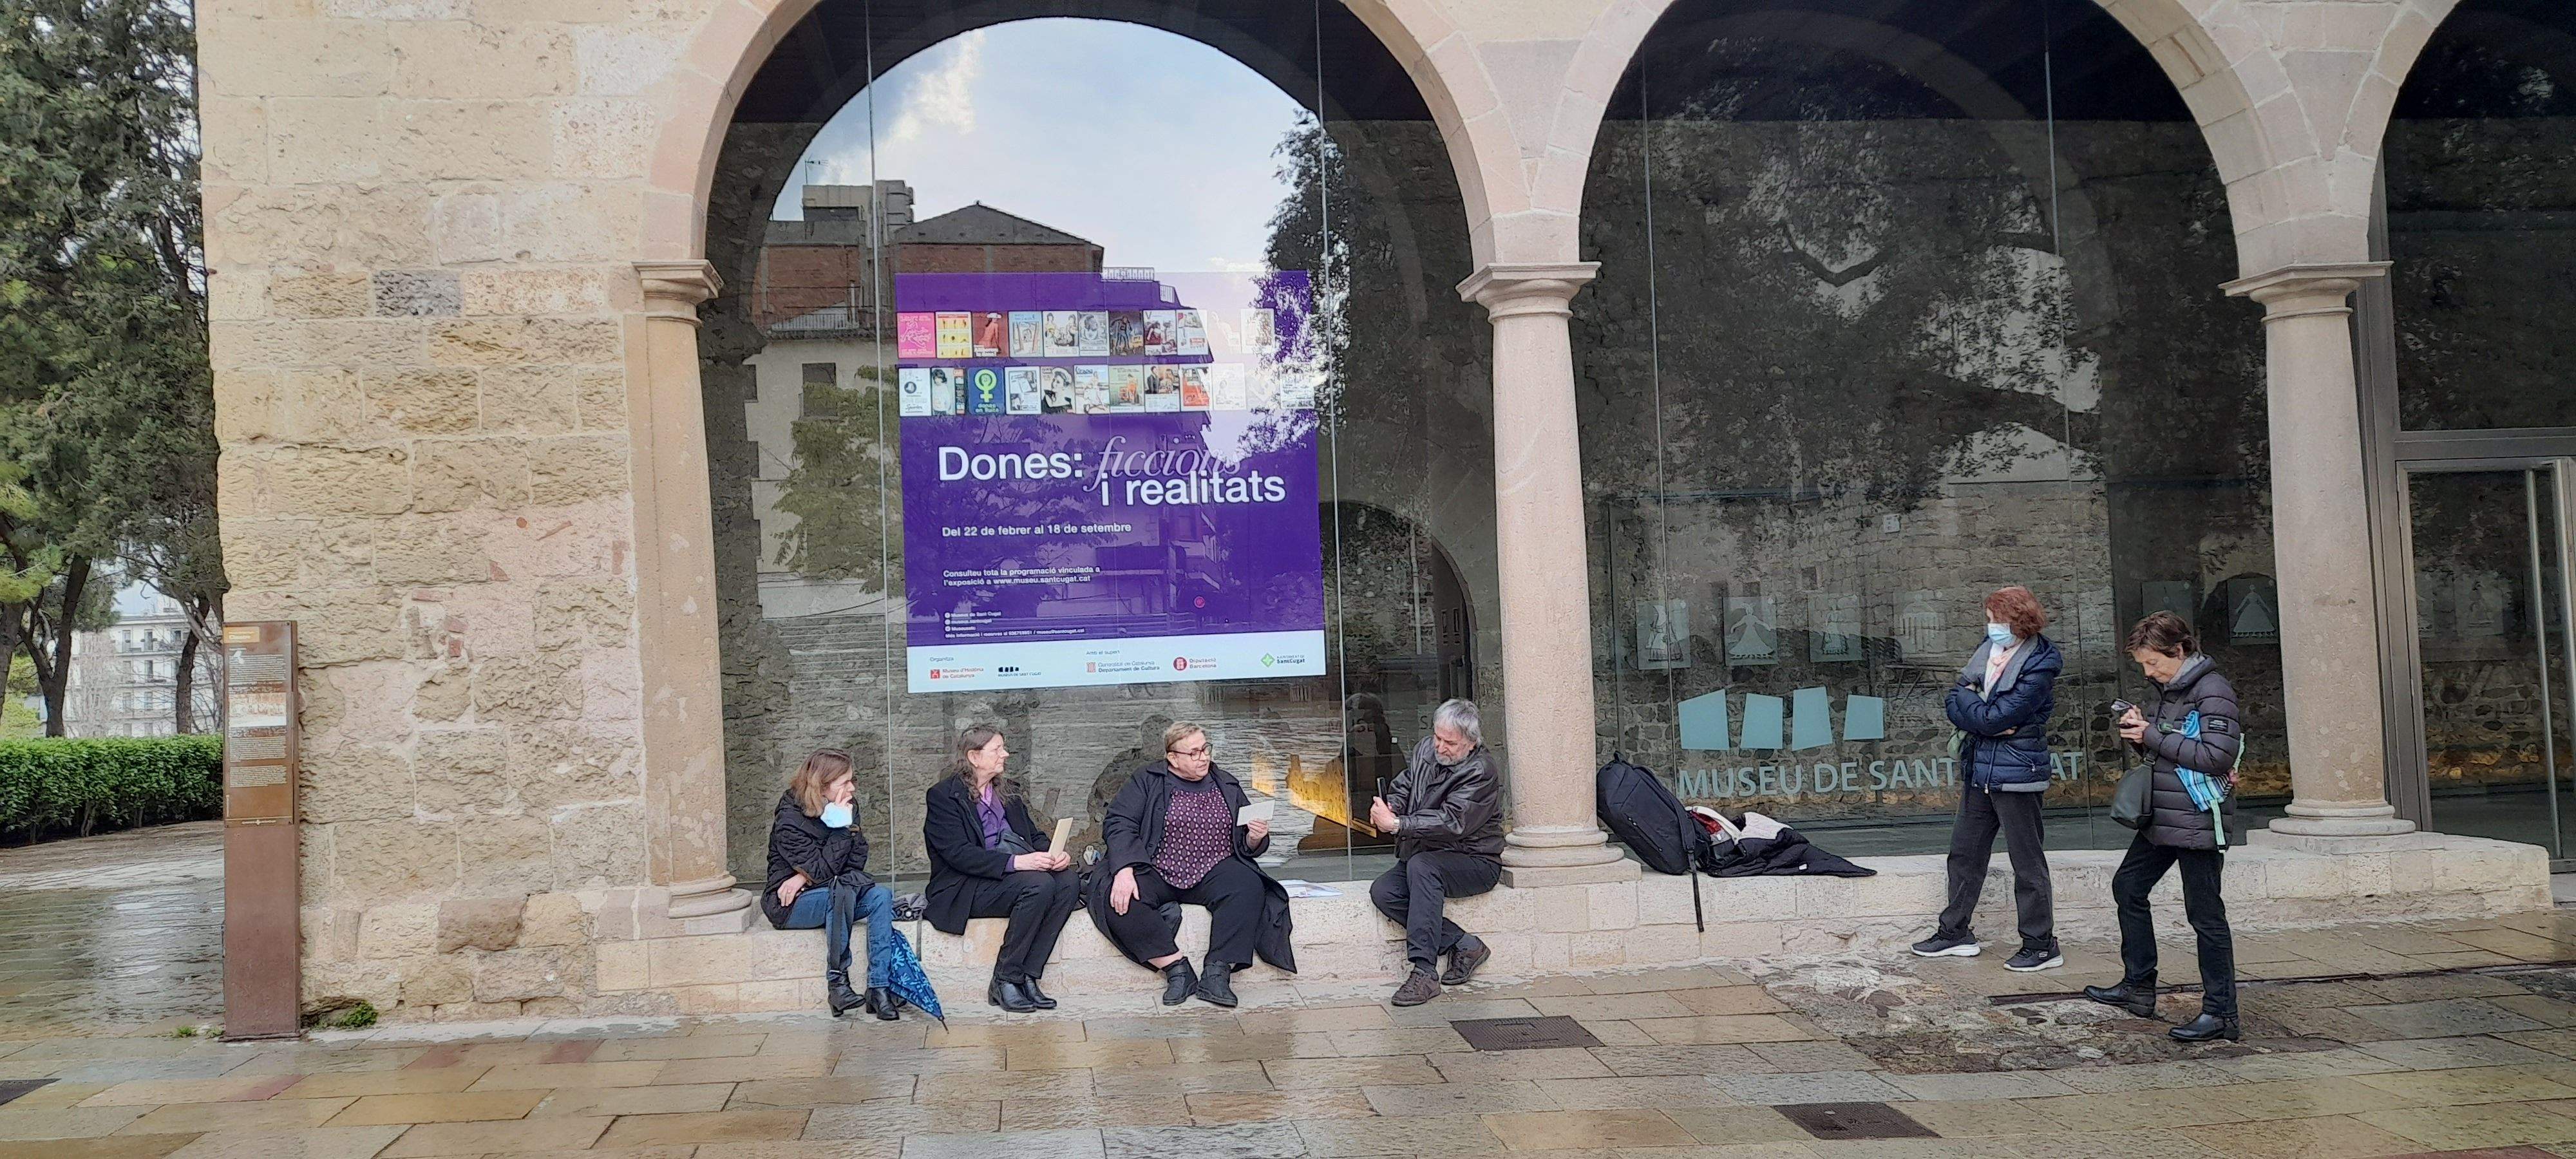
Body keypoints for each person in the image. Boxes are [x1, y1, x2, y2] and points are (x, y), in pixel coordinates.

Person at [2085, 612, 2245, 1042]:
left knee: (2205, 915)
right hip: (2164, 814)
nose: (2148, 671)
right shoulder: (2167, 688)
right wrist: (2142, 737)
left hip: (2196, 816)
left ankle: (2222, 1014)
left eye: (2154, 662)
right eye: (2143, 665)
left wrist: (2152, 736)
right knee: (2128, 887)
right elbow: (2169, 751)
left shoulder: (2213, 690)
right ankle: (2138, 987)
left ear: (2179, 650)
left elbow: (2217, 758)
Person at [1088, 722, 1297, 1007]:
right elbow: (1119, 823)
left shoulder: (1226, 783)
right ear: (1173, 758)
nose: (1204, 758)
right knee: (1120, 898)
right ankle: (1177, 969)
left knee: (1248, 885)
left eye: (1206, 749)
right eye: (1195, 752)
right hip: (1157, 867)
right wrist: (1125, 870)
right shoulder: (1146, 780)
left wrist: (1255, 837)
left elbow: (1246, 845)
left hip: (1213, 868)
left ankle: (1217, 972)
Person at [1914, 586, 2065, 972]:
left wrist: (1979, 712)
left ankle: (2040, 943)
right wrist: (1980, 713)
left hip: (2017, 772)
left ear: (2017, 620)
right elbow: (1956, 699)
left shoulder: (2041, 663)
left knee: (2027, 862)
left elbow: (1993, 718)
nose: (1990, 625)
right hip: (1980, 767)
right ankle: (1955, 933)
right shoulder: (1989, 650)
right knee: (1964, 854)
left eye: (1995, 618)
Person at [922, 726, 1081, 1013]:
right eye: (997, 749)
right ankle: (1005, 978)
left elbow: (1032, 836)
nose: (1005, 755)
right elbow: (958, 854)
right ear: (974, 756)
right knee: (1039, 885)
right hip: (966, 886)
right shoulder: (944, 796)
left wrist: (1053, 855)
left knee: (1068, 881)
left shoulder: (1007, 792)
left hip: (1009, 877)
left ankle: (1029, 975)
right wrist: (1018, 863)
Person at [1367, 698, 1504, 1006]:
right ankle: (1464, 944)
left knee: (1423, 867)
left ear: (1470, 742)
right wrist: (1391, 807)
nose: (1440, 747)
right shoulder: (1426, 750)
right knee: (1385, 891)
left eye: (1450, 742)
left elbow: (1453, 821)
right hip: (1426, 853)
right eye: (1437, 737)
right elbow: (1405, 784)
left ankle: (1424, 972)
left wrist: (1400, 824)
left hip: (1474, 859)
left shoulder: (1481, 771)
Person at [762, 748, 900, 1019]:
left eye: (852, 780)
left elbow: (855, 862)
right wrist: (840, 830)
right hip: (791, 904)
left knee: (881, 896)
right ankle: (837, 983)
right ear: (823, 787)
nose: (852, 788)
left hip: (834, 892)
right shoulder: (789, 821)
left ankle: (879, 987)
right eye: (845, 783)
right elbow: (823, 870)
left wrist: (804, 875)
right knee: (839, 893)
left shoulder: (848, 808)